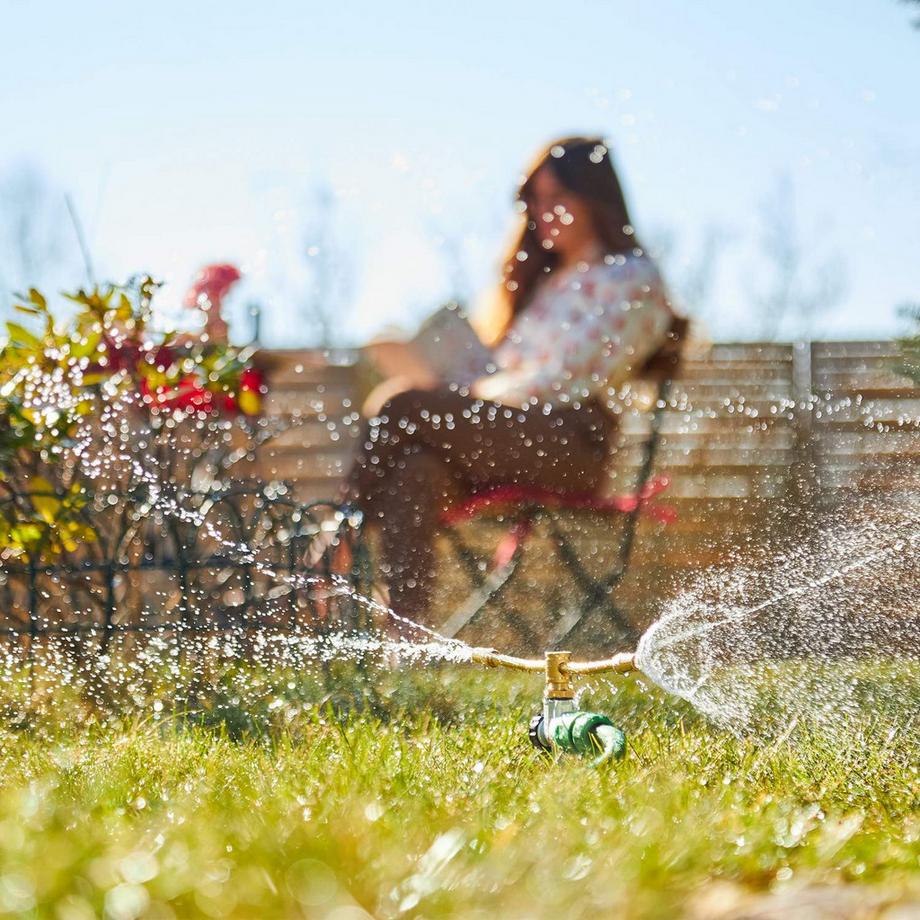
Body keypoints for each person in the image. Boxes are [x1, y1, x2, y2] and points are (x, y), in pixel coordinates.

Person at [342, 136, 680, 623]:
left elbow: (568, 377)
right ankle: (406, 639)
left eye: (557, 198)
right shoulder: (544, 285)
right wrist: (464, 383)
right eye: (535, 201)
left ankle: (336, 547)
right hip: (508, 436)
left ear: (594, 199)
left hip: (570, 444)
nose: (543, 213)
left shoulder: (631, 278)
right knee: (413, 472)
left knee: (401, 404)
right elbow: (509, 376)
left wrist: (470, 394)